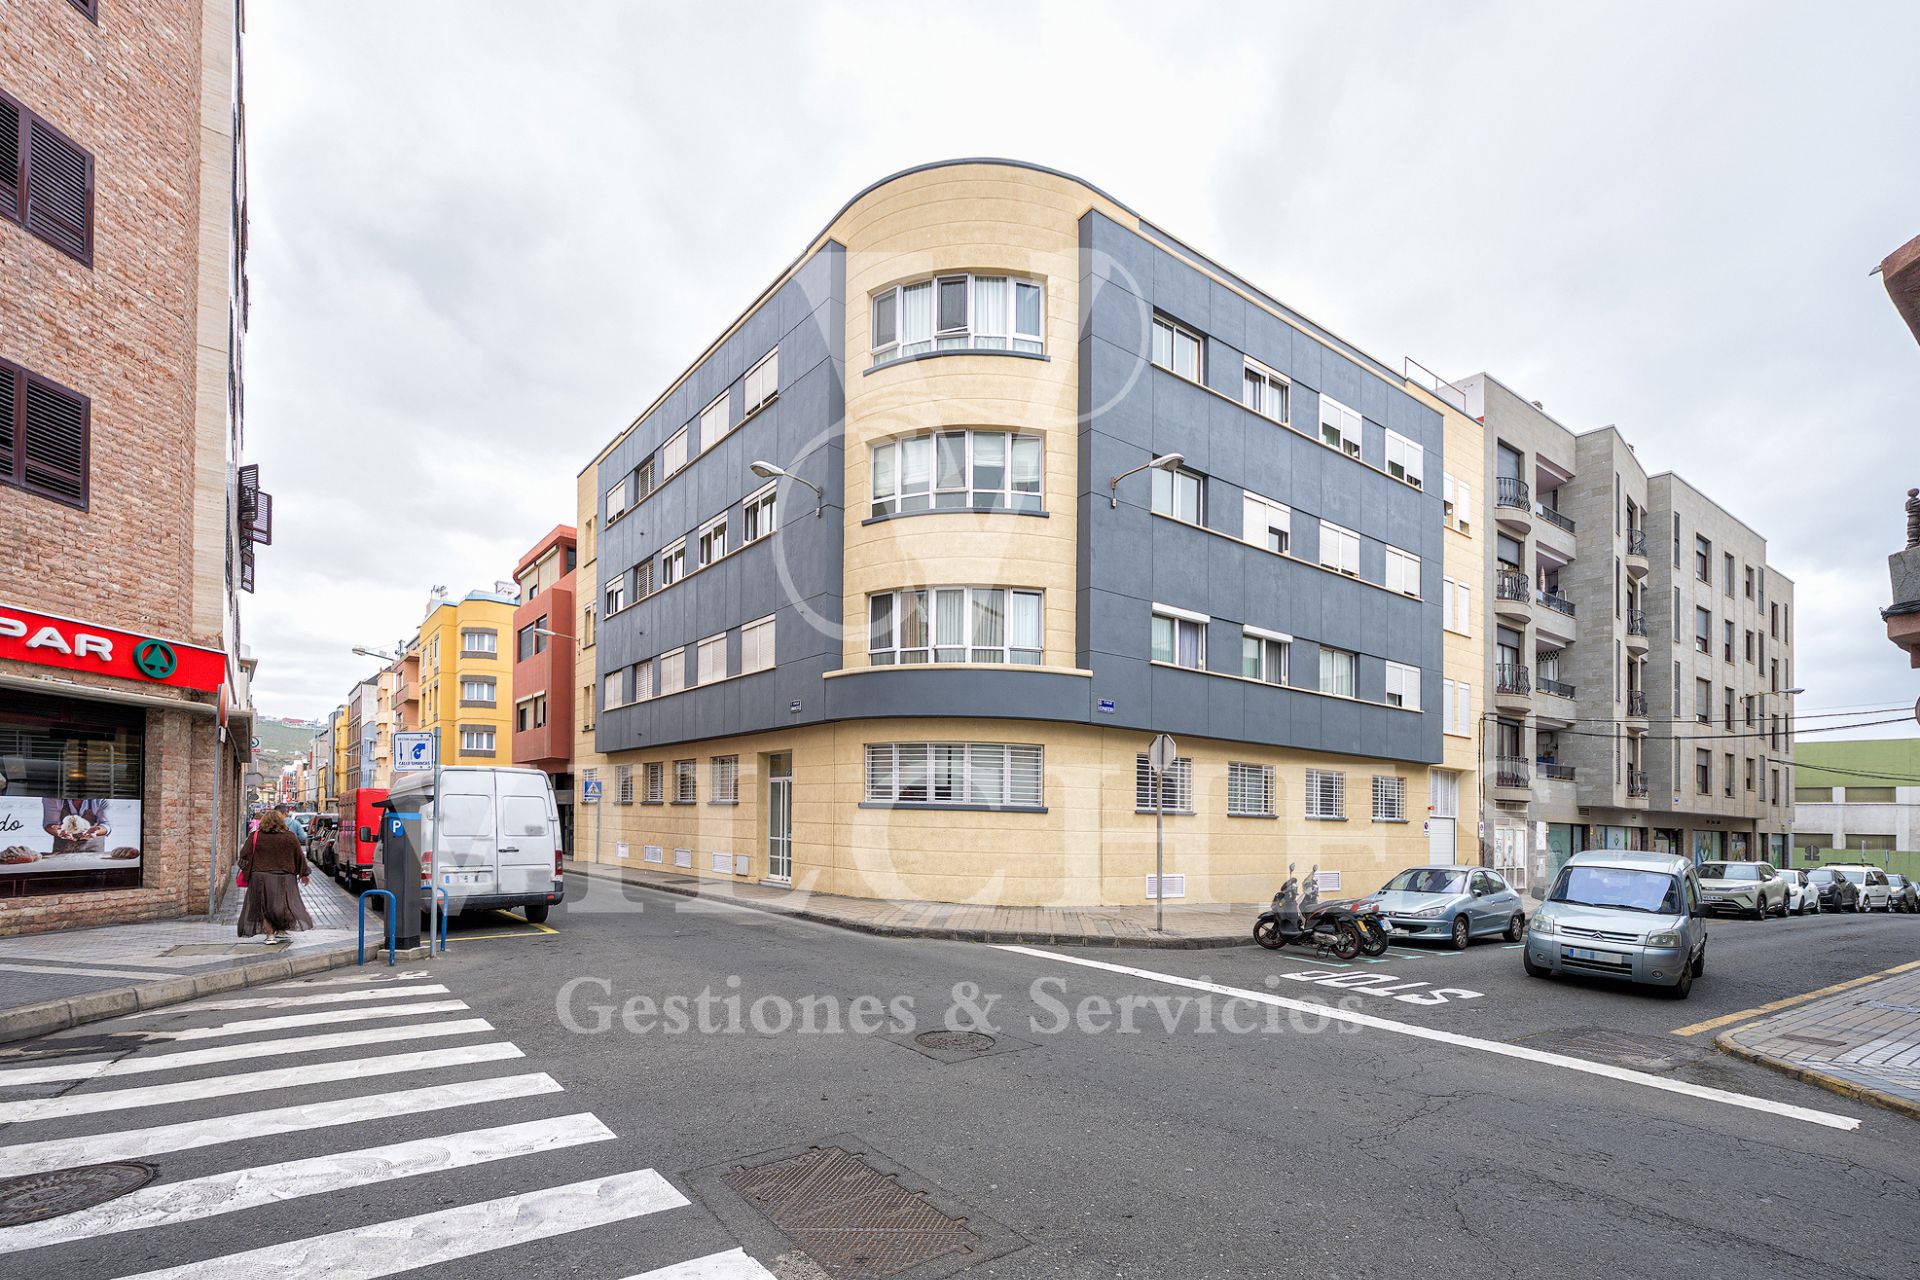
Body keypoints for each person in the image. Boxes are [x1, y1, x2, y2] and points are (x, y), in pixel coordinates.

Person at [238, 809, 314, 944]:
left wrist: (249, 867)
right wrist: (304, 874)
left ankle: (270, 936)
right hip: (285, 877)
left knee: (262, 906)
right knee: (282, 904)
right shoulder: (290, 836)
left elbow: (244, 854)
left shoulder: (255, 836)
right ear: (281, 821)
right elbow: (299, 856)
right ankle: (281, 929)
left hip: (260, 876)